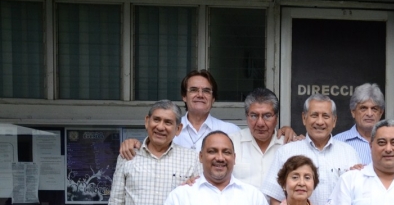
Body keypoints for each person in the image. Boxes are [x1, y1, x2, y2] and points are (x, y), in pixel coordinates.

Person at [118, 70, 298, 158]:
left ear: (213, 99)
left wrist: (286, 131)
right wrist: (131, 143)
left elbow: (260, 137)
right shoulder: (169, 129)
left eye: (206, 91)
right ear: (184, 96)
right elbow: (150, 149)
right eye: (194, 90)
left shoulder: (230, 131)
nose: (200, 95)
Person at [228, 88, 287, 190]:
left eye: (267, 116)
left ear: (276, 118)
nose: (260, 123)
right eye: (254, 116)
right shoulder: (230, 143)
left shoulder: (288, 145)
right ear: (247, 117)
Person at [334, 83, 385, 165]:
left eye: (374, 109)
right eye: (363, 108)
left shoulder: (391, 142)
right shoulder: (337, 142)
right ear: (353, 112)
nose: (369, 113)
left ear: (380, 113)